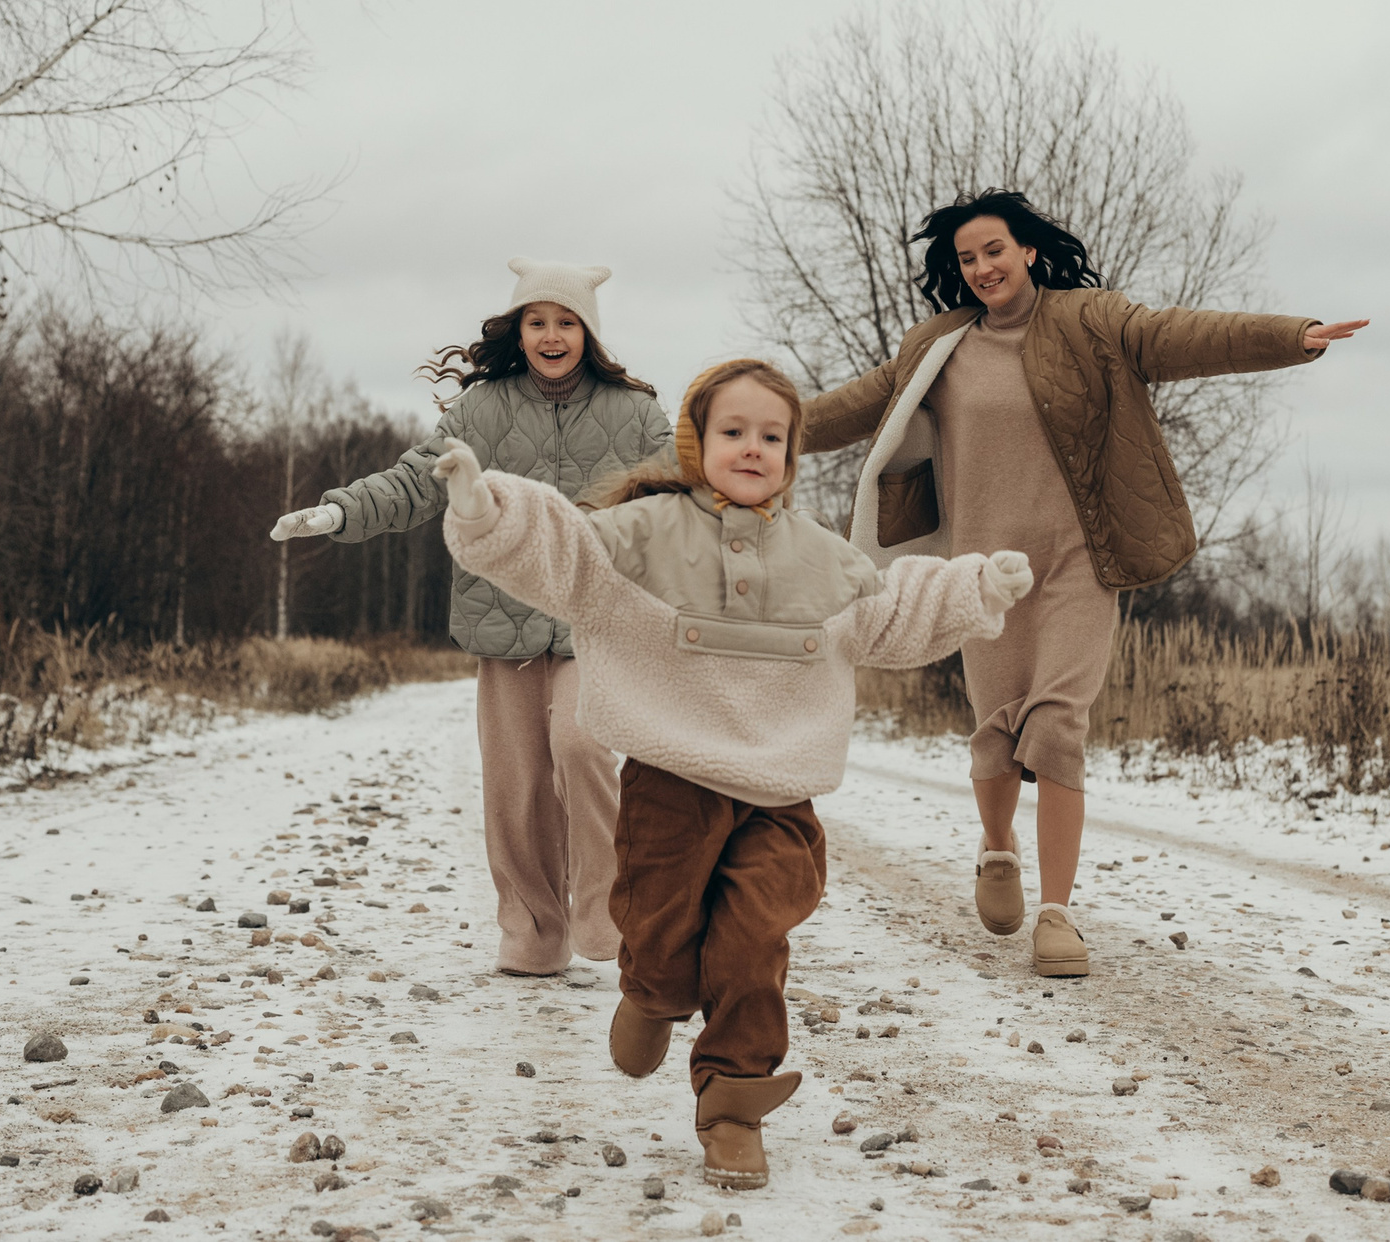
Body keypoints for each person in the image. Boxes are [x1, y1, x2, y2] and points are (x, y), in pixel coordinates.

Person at [430, 359, 1033, 1189]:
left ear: (792, 454)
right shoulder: (642, 535)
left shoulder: (822, 560)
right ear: (697, 441)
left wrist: (974, 586)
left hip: (782, 795)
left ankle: (732, 1108)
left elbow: (893, 612)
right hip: (671, 781)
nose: (754, 449)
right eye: (734, 432)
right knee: (664, 925)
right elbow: (558, 552)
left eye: (773, 437)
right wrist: (485, 506)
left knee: (754, 944)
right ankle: (651, 989)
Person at [803, 190, 1366, 979]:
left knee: (1059, 724)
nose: (982, 268)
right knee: (996, 727)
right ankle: (997, 849)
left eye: (994, 250)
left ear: (1028, 250)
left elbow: (1178, 337)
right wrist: (747, 430)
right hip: (984, 574)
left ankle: (1057, 914)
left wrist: (1290, 337)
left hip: (1075, 561)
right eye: (967, 259)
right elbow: (847, 410)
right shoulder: (936, 346)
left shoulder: (1088, 321)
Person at [269, 259, 671, 978]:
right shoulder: (482, 410)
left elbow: (680, 502)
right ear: (519, 329)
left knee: (581, 748)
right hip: (504, 620)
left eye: (566, 321)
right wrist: (340, 510)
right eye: (538, 320)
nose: (552, 335)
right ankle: (533, 934)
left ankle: (606, 917)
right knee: (515, 786)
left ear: (589, 331)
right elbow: (415, 480)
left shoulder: (634, 413)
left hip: (596, 620)